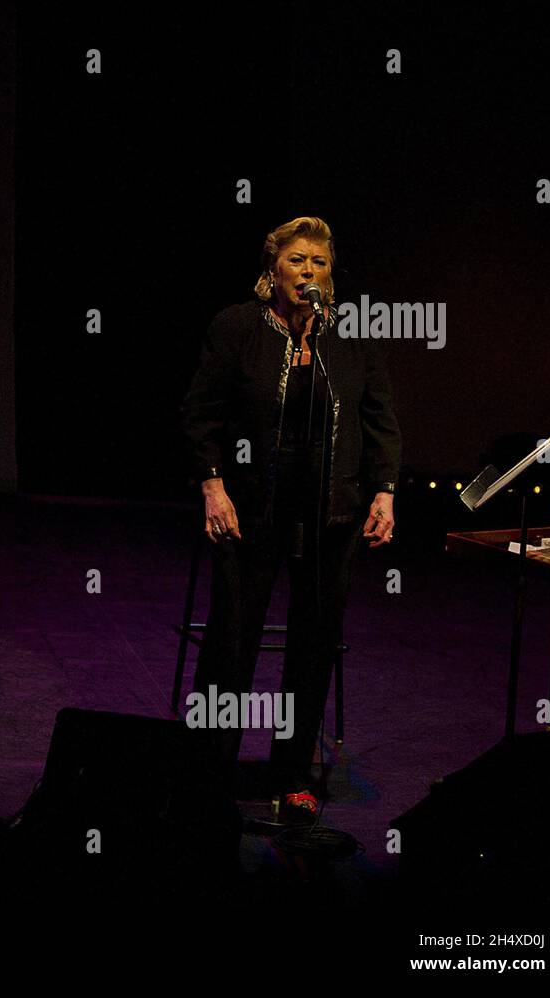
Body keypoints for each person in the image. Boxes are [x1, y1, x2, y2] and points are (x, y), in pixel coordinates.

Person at [179, 216, 400, 818]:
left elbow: (378, 416)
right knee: (232, 640)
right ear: (272, 270)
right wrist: (213, 486)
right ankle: (209, 764)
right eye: (298, 261)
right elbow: (202, 416)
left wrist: (383, 491)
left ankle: (292, 770)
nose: (310, 272)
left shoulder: (349, 334)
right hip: (250, 509)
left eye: (320, 263)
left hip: (332, 512)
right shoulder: (237, 327)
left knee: (314, 641)